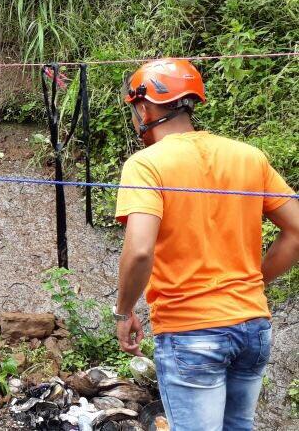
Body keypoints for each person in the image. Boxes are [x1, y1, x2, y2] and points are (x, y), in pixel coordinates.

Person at [113, 59, 299, 430]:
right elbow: (296, 230)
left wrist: (124, 312)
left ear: (144, 108)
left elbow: (139, 250)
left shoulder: (146, 165)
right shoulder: (248, 156)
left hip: (190, 330)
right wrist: (253, 283)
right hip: (252, 326)